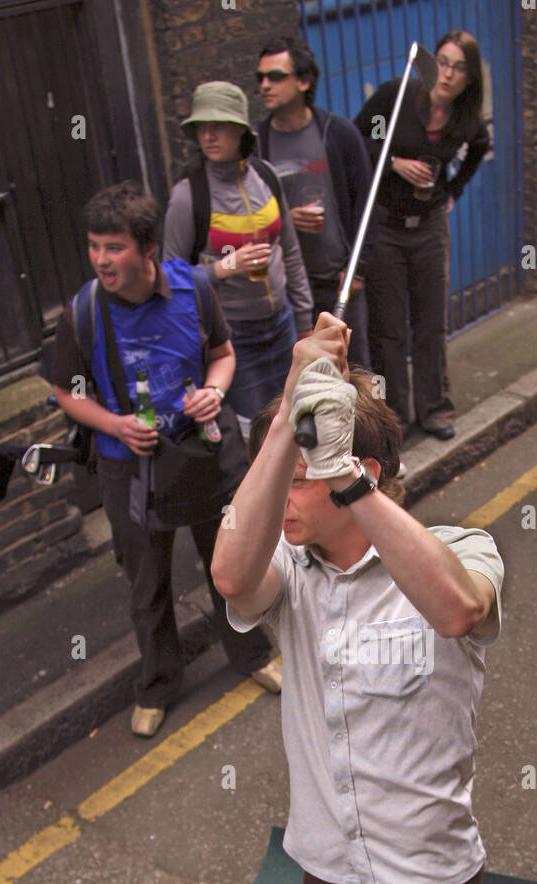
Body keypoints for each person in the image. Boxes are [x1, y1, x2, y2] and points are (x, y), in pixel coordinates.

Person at [210, 313, 503, 884]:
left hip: (422, 881)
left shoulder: (462, 550)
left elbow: (457, 609)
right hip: (328, 867)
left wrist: (343, 476)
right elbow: (229, 575)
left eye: (304, 481)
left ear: (356, 478)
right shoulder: (289, 576)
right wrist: (285, 419)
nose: (284, 499)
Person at [51, 181, 281, 740]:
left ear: (147, 248)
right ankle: (158, 684)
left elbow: (222, 356)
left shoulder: (195, 288)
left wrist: (215, 390)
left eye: (114, 247)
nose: (101, 260)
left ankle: (250, 655)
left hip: (201, 452)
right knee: (146, 583)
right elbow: (66, 391)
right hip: (129, 468)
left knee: (227, 563)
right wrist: (115, 425)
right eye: (95, 246)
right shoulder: (82, 311)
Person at [352, 31, 490, 440]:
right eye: (443, 62)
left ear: (469, 78)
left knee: (430, 323)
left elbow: (480, 145)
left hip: (429, 228)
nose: (447, 74)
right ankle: (395, 417)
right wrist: (394, 161)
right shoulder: (396, 97)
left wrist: (455, 189)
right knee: (390, 329)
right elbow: (358, 138)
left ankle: (434, 409)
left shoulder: (465, 118)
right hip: (387, 226)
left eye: (458, 68)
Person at [163, 82, 314, 443]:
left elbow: (290, 251)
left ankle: (302, 499)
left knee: (299, 420)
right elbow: (170, 280)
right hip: (236, 340)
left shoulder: (266, 177)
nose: (209, 136)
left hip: (284, 325)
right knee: (259, 435)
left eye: (219, 126)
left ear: (241, 131)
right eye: (202, 127)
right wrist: (225, 268)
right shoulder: (188, 197)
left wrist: (305, 321)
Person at [255, 35, 374, 370]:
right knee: (302, 381)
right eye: (260, 78)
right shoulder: (257, 144)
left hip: (337, 281)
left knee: (354, 373)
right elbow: (249, 216)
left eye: (276, 76)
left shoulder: (339, 134)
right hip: (287, 291)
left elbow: (366, 206)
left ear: (304, 81)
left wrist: (357, 270)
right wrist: (286, 219)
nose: (265, 85)